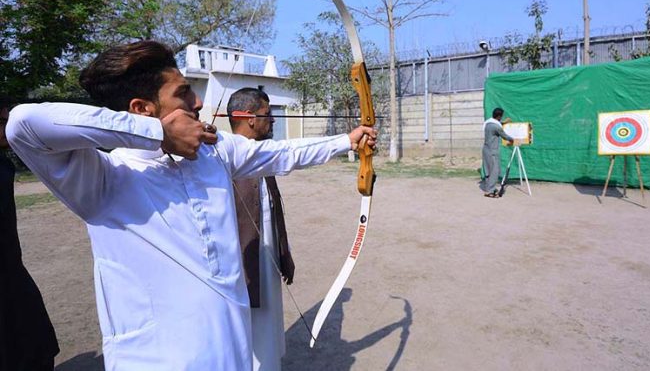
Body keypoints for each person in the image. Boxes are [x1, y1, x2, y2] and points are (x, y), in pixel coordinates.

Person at [6, 41, 377, 371]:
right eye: (184, 93)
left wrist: (348, 140)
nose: (198, 103)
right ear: (142, 108)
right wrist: (159, 135)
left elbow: (281, 153)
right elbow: (24, 123)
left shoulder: (213, 153)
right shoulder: (102, 177)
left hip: (232, 353)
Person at [226, 88, 291, 371]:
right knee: (243, 337)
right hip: (240, 270)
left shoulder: (263, 156)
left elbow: (274, 210)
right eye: (267, 114)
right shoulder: (223, 159)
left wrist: (284, 253)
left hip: (269, 262)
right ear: (249, 118)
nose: (273, 120)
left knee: (269, 329)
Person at [0, 100, 60, 371]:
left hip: (11, 270)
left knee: (35, 345)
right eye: (2, 122)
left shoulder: (4, 163)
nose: (8, 128)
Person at [482, 107, 515, 198]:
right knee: (495, 171)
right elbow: (504, 136)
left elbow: (496, 125)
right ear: (499, 116)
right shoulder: (496, 127)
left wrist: (504, 122)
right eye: (501, 117)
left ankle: (488, 187)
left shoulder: (488, 123)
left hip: (486, 149)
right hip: (492, 151)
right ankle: (490, 191)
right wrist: (514, 139)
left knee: (488, 170)